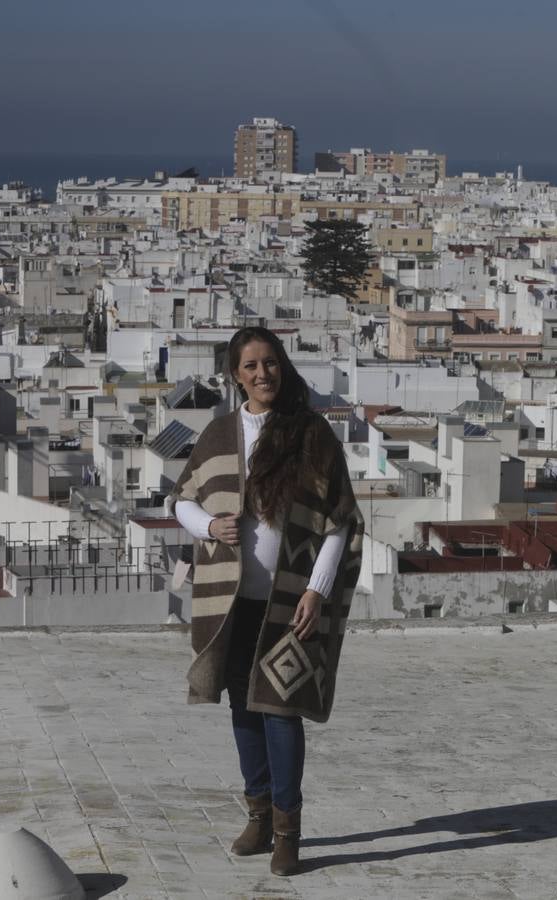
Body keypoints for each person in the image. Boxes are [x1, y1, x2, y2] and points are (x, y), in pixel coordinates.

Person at [172, 327, 364, 876]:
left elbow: (340, 522)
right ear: (236, 375)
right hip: (232, 601)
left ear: (283, 367)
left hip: (289, 602)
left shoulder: (312, 436)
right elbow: (180, 500)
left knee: (281, 711)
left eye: (271, 363)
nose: (263, 374)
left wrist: (315, 589)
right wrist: (209, 523)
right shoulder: (217, 436)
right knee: (243, 707)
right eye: (251, 366)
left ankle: (287, 831)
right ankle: (257, 813)